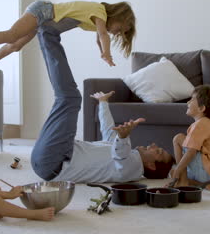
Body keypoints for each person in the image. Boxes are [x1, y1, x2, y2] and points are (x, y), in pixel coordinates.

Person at [30, 21, 173, 183]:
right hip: (47, 159)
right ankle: (45, 34)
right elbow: (108, 130)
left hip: (55, 161)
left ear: (151, 165)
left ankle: (48, 35)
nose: (154, 145)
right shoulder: (128, 154)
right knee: (68, 98)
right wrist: (103, 103)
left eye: (158, 152)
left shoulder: (131, 170)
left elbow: (121, 157)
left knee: (70, 98)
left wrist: (124, 137)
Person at [0, 0, 136, 82]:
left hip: (44, 20)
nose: (117, 33)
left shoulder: (99, 21)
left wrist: (101, 52)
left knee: (17, 45)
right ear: (118, 15)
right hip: (43, 11)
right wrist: (106, 53)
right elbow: (103, 35)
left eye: (120, 34)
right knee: (12, 34)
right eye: (120, 29)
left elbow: (100, 36)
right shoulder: (100, 11)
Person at [169, 85, 210, 190]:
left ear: (201, 108)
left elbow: (191, 152)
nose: (188, 102)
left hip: (206, 171)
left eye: (192, 99)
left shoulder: (200, 124)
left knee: (178, 138)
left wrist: (178, 171)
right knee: (173, 170)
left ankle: (183, 181)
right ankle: (203, 183)